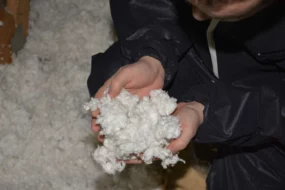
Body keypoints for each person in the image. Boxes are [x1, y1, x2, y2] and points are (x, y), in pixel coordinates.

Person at [87, 0, 285, 189]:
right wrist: (153, 55)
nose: (196, 15)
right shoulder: (195, 14)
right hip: (195, 50)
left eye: (212, 4)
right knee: (114, 85)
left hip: (265, 104)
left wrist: (209, 112)